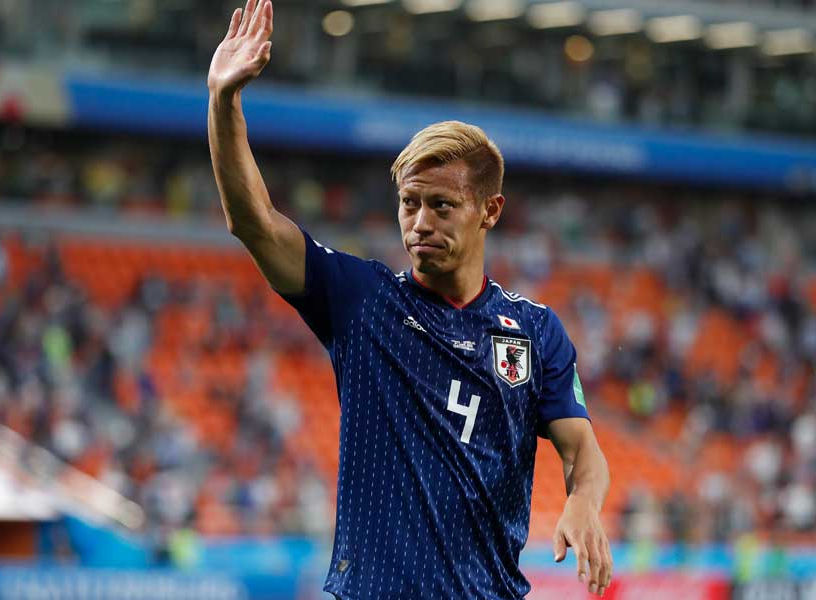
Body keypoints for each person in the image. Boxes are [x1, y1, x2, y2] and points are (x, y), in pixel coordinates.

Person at [207, 1, 612, 598]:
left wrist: (584, 503)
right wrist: (223, 102)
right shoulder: (362, 302)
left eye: (441, 206)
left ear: (489, 211)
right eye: (408, 203)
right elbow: (255, 223)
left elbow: (584, 452)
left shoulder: (532, 332)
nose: (419, 222)